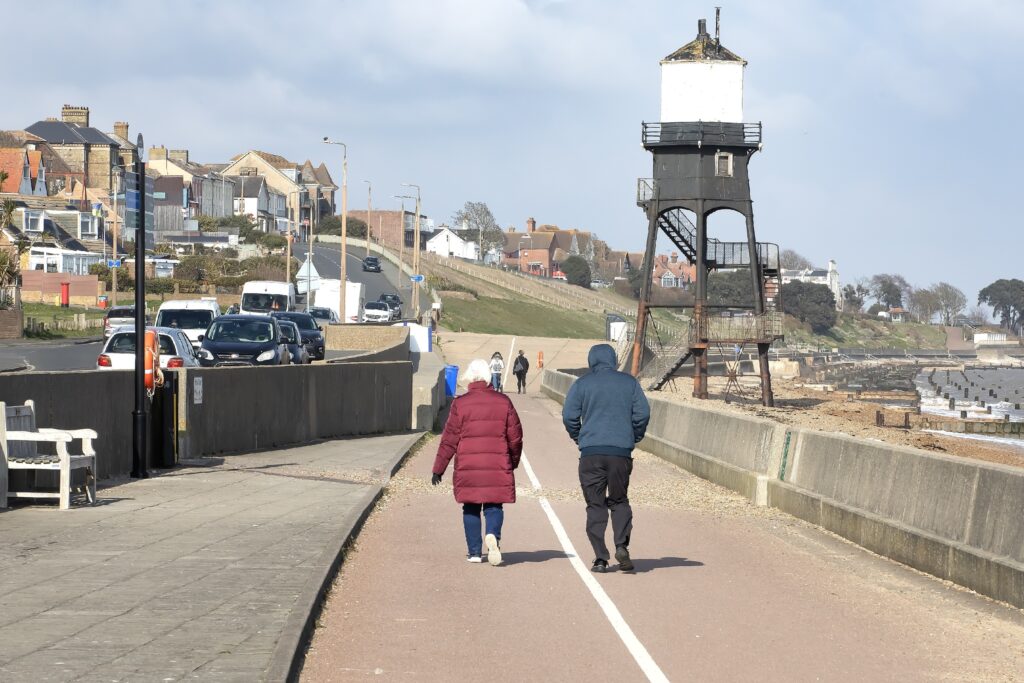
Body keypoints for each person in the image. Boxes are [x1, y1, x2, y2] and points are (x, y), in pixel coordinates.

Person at [561, 344, 650, 573]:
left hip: (591, 453)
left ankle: (600, 558)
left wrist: (579, 438)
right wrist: (633, 436)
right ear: (613, 360)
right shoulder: (629, 383)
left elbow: (569, 415)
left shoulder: (582, 383)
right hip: (620, 452)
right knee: (619, 501)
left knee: (595, 505)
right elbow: (642, 414)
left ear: (591, 360)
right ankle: (621, 545)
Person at [432, 359, 523, 565]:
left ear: (470, 378)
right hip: (497, 465)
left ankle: (474, 552)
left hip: (468, 467)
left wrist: (438, 469)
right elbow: (515, 437)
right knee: (494, 506)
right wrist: (512, 461)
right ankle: (492, 535)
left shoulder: (460, 404)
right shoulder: (503, 402)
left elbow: (449, 439)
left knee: (470, 507)